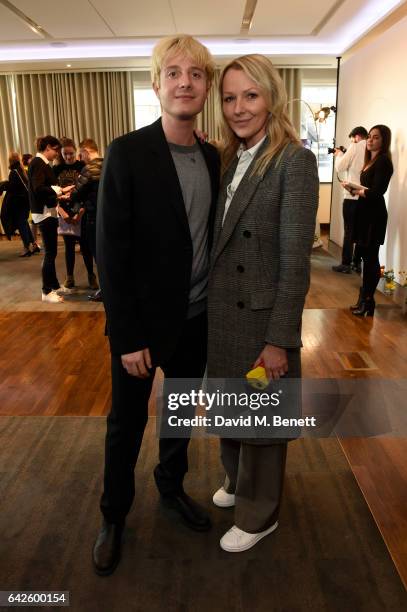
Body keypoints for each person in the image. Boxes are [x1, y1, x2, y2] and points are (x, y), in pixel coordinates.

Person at [93, 35, 220, 576]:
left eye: (195, 73)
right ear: (156, 84)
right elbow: (110, 253)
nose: (184, 81)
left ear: (206, 86)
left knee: (179, 415)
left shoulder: (214, 156)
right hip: (141, 328)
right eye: (173, 72)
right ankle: (113, 515)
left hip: (196, 320)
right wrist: (126, 336)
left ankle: (170, 488)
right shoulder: (127, 152)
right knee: (126, 425)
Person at [207, 54, 318, 552]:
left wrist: (279, 339)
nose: (239, 108)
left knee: (264, 423)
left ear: (271, 96)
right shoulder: (230, 156)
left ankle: (260, 515)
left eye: (250, 96)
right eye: (229, 98)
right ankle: (236, 483)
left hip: (261, 318)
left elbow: (295, 261)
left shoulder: (293, 159)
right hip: (224, 314)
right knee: (234, 410)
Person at [345, 125, 393, 316]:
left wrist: (358, 191)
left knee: (371, 259)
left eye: (376, 138)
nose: (370, 141)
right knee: (365, 257)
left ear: (384, 141)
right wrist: (354, 189)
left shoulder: (383, 162)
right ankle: (364, 299)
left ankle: (368, 301)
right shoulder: (370, 160)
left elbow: (377, 192)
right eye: (370, 137)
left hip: (374, 215)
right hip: (364, 213)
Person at [27, 135, 74, 303]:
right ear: (47, 147)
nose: (57, 154)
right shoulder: (38, 163)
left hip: (48, 212)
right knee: (50, 253)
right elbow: (38, 188)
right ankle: (46, 292)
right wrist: (59, 191)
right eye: (55, 150)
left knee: (51, 253)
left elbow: (44, 189)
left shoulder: (41, 164)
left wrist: (60, 193)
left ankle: (53, 285)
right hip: (44, 214)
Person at [55, 138, 96, 291]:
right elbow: (54, 194)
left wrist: (80, 213)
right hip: (64, 213)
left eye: (71, 154)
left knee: (86, 247)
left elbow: (88, 193)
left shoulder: (83, 167)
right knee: (69, 247)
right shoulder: (56, 169)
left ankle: (91, 276)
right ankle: (70, 277)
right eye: (65, 154)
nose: (68, 157)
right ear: (61, 154)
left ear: (76, 152)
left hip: (81, 211)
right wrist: (63, 213)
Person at [68, 138, 103, 299]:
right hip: (108, 217)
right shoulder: (108, 164)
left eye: (81, 155)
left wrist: (69, 194)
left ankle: (104, 290)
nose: (80, 159)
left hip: (93, 218)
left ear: (87, 152)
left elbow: (77, 193)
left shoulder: (88, 169)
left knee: (97, 254)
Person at [332, 126, 368, 274]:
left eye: (352, 138)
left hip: (352, 195)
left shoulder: (356, 145)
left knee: (349, 230)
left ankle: (345, 264)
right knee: (361, 231)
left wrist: (339, 155)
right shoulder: (371, 148)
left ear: (356, 136)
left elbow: (340, 167)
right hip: (366, 196)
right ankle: (356, 263)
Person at [5, 152, 40, 257]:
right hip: (25, 202)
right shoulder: (22, 171)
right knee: (24, 223)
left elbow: (13, 188)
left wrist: (4, 185)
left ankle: (26, 247)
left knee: (22, 225)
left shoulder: (14, 172)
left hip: (18, 203)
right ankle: (34, 244)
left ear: (10, 161)